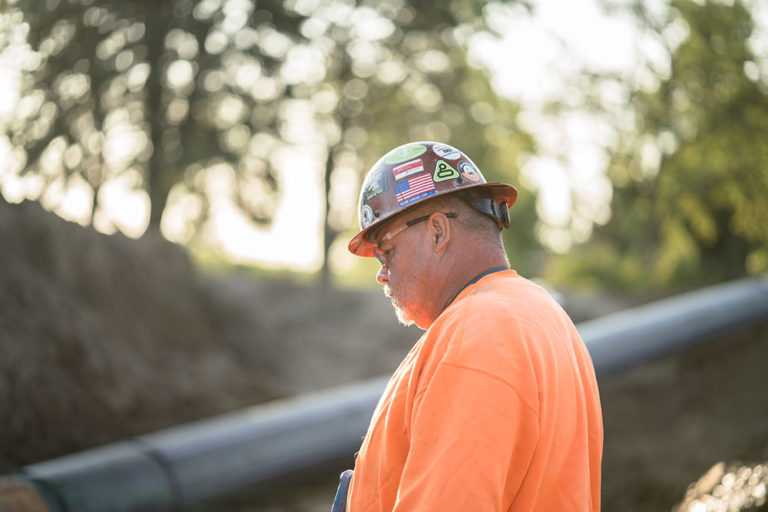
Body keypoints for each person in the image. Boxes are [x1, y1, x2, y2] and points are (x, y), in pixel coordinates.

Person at [337, 141, 603, 511]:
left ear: (437, 232)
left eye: (387, 250)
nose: (381, 274)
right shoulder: (542, 315)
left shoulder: (477, 330)